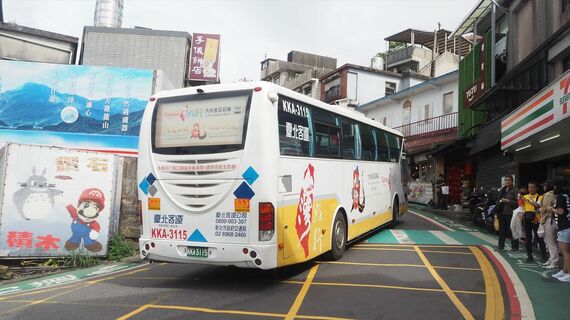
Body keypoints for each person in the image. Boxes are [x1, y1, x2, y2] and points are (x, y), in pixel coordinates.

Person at [522, 181, 547, 262]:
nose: (530, 189)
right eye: (529, 187)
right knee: (528, 239)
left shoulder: (540, 196)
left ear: (536, 188)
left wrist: (527, 200)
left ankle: (544, 257)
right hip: (527, 220)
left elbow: (537, 205)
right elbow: (522, 208)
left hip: (536, 221)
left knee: (539, 238)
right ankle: (529, 256)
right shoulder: (525, 196)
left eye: (532, 187)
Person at [551, 181, 570, 282]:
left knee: (566, 252)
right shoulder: (566, 196)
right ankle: (564, 271)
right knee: (566, 251)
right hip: (566, 226)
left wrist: (551, 209)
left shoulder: (560, 197)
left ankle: (569, 273)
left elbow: (560, 211)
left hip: (564, 226)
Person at [539, 181, 559, 269]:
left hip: (548, 220)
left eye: (544, 186)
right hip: (552, 220)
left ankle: (554, 262)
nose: (543, 187)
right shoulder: (553, 194)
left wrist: (540, 209)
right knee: (552, 242)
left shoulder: (547, 195)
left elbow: (545, 208)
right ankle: (552, 260)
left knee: (551, 242)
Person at [498, 175, 519, 251]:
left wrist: (508, 201)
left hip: (511, 212)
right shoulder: (502, 190)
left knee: (512, 229)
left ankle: (515, 247)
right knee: (502, 230)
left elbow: (518, 202)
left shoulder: (515, 190)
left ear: (512, 181)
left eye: (509, 180)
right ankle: (500, 246)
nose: (507, 181)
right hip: (502, 212)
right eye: (506, 180)